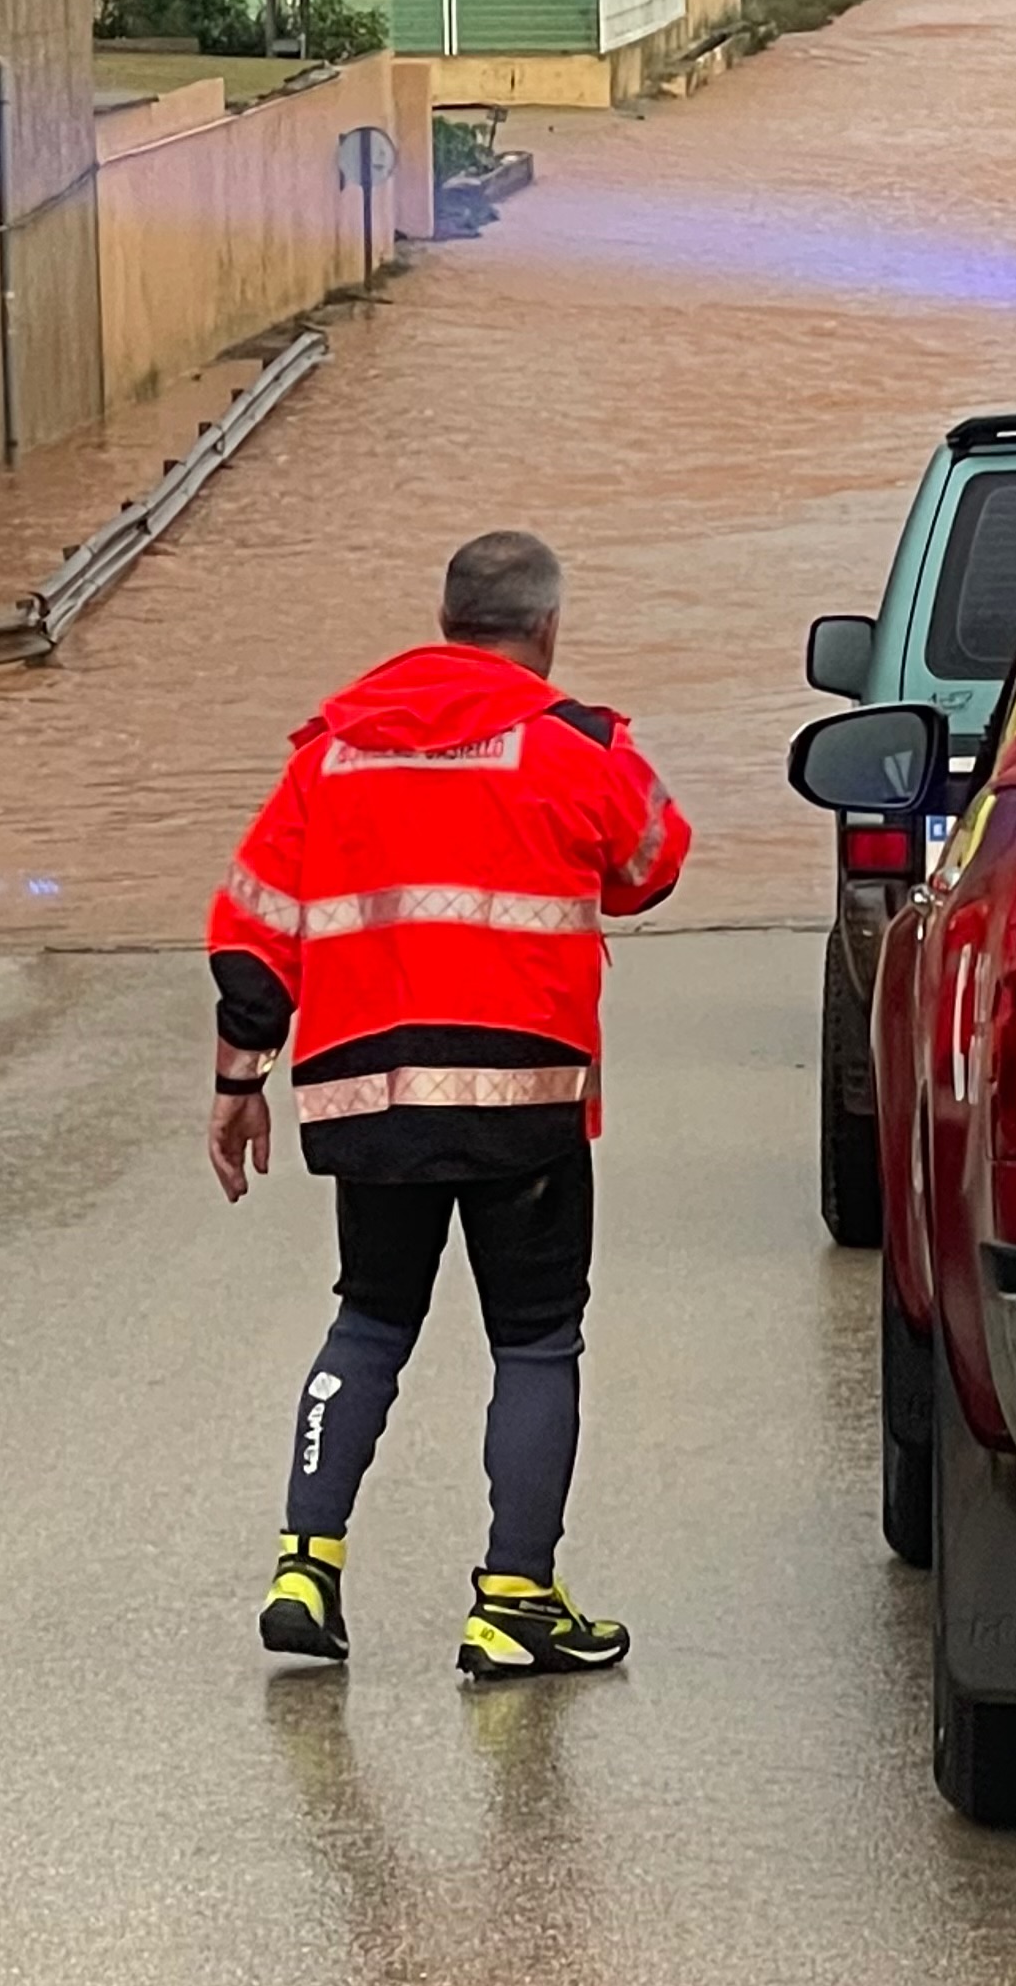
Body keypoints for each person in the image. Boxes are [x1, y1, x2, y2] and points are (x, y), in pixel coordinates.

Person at [206, 530, 690, 1679]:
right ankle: (515, 1602)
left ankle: (305, 1567)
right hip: (526, 1097)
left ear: (443, 621)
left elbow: (253, 933)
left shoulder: (329, 756)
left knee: (370, 1320)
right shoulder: (579, 744)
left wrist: (238, 1083)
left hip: (367, 1095)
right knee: (536, 1341)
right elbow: (652, 864)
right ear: (547, 628)